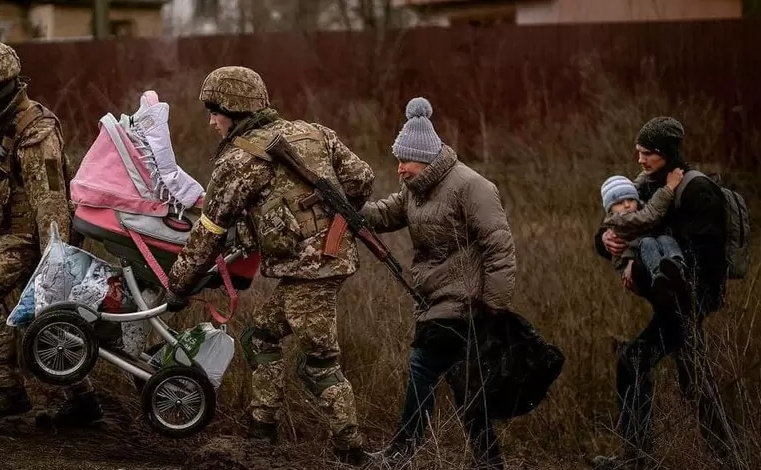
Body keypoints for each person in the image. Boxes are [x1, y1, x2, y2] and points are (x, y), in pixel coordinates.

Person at [165, 66, 375, 465]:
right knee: (260, 337)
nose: (211, 122)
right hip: (328, 261)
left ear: (236, 110)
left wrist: (178, 285)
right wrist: (325, 216)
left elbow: (209, 231)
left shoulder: (239, 159)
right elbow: (362, 180)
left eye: (215, 112)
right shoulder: (315, 132)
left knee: (319, 364)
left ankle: (353, 450)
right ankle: (263, 427)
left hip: (309, 272)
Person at [360, 97, 517, 469]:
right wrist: (349, 206)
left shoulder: (472, 187)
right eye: (397, 161)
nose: (399, 169)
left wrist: (492, 308)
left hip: (466, 303)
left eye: (406, 161)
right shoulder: (417, 190)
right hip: (433, 301)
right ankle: (489, 460)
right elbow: (383, 215)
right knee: (465, 386)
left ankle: (402, 450)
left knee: (422, 367)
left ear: (427, 159)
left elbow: (501, 250)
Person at [0, 40, 103, 426]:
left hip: (32, 239)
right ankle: (82, 398)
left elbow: (51, 202)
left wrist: (54, 261)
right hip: (14, 233)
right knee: (48, 319)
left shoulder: (35, 134)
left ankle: (9, 391)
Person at [592, 117, 740, 469]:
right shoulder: (647, 184)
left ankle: (641, 459)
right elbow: (623, 220)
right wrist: (605, 240)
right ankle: (728, 455)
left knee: (636, 362)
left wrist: (648, 269)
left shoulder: (698, 191)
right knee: (692, 378)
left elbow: (707, 265)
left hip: (686, 302)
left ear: (668, 153)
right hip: (668, 300)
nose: (640, 160)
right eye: (639, 152)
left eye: (648, 153)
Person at [600, 169, 688, 298]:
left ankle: (678, 265)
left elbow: (637, 184)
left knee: (665, 239)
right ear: (610, 209)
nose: (626, 205)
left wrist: (648, 170)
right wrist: (669, 187)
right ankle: (658, 275)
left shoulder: (636, 208)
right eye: (619, 203)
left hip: (645, 250)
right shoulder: (620, 220)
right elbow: (650, 215)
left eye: (630, 199)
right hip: (631, 262)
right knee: (648, 242)